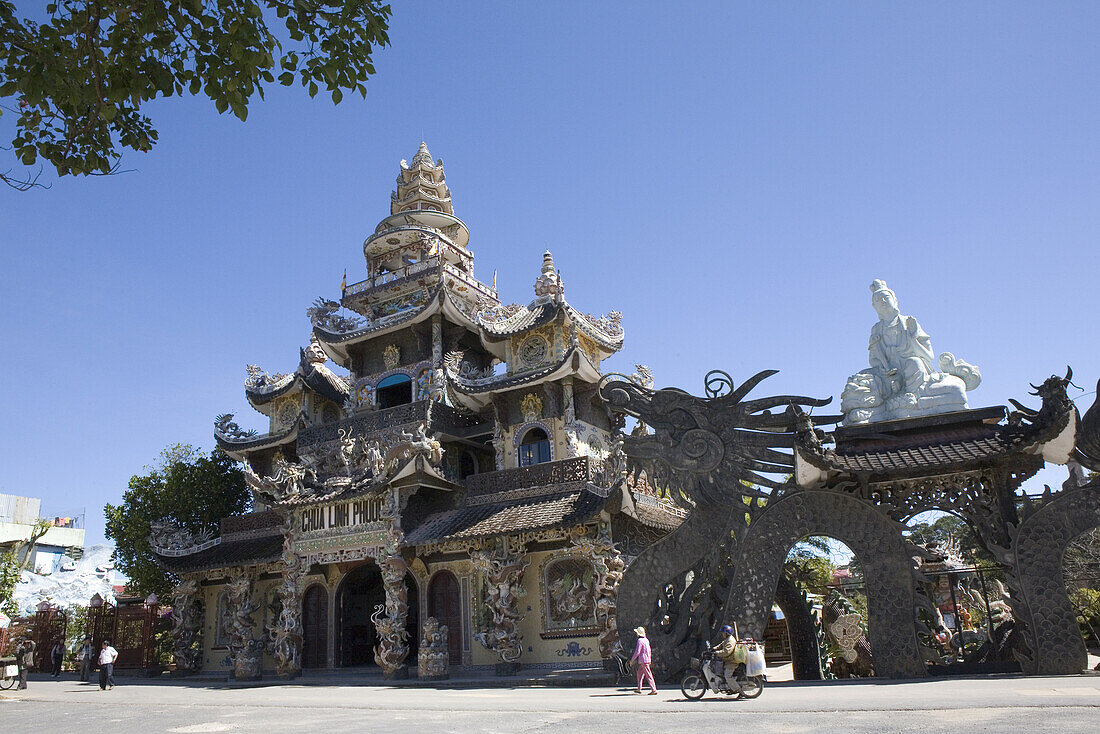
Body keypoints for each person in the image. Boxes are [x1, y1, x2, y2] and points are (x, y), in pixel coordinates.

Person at [628, 626, 657, 695]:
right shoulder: (646, 640)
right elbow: (649, 650)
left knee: (648, 675)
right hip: (647, 660)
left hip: (643, 660)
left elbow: (637, 651)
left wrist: (632, 660)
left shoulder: (640, 641)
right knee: (639, 673)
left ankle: (653, 689)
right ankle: (639, 688)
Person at [713, 625, 743, 691]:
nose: (723, 634)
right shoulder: (727, 639)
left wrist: (717, 653)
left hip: (732, 662)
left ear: (727, 633)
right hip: (727, 660)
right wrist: (713, 648)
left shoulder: (730, 640)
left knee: (727, 676)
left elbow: (727, 652)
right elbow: (721, 644)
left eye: (723, 633)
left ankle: (739, 690)